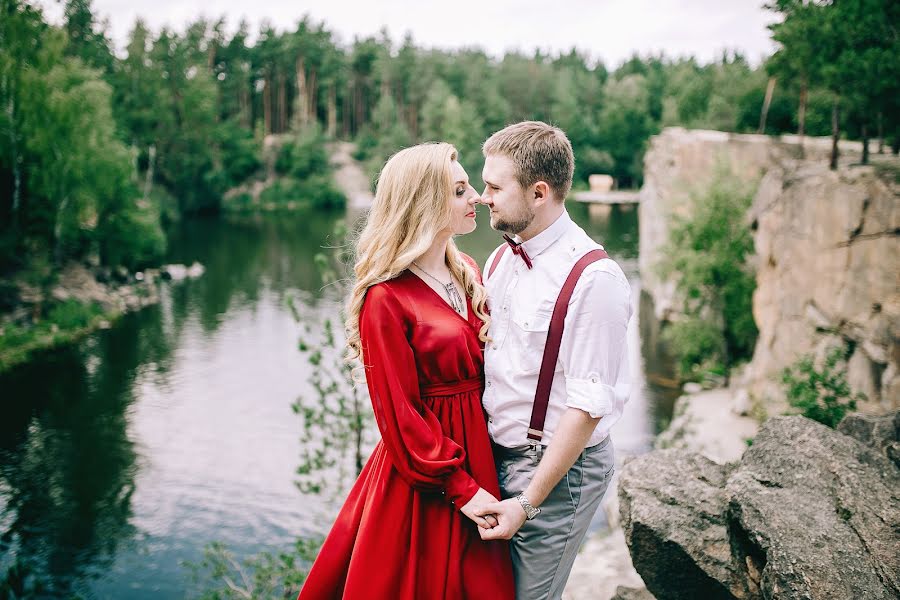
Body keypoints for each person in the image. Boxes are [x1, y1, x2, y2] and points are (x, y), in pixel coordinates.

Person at [297, 142, 515, 600]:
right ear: (425, 203)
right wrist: (461, 488)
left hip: (485, 450)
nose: (476, 196)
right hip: (431, 474)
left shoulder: (468, 271)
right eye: (460, 191)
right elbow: (399, 413)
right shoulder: (386, 298)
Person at [473, 121, 633, 600]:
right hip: (495, 455)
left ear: (539, 192)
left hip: (559, 472)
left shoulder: (595, 279)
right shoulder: (501, 260)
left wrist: (526, 502)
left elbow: (586, 408)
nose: (484, 198)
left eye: (495, 187)